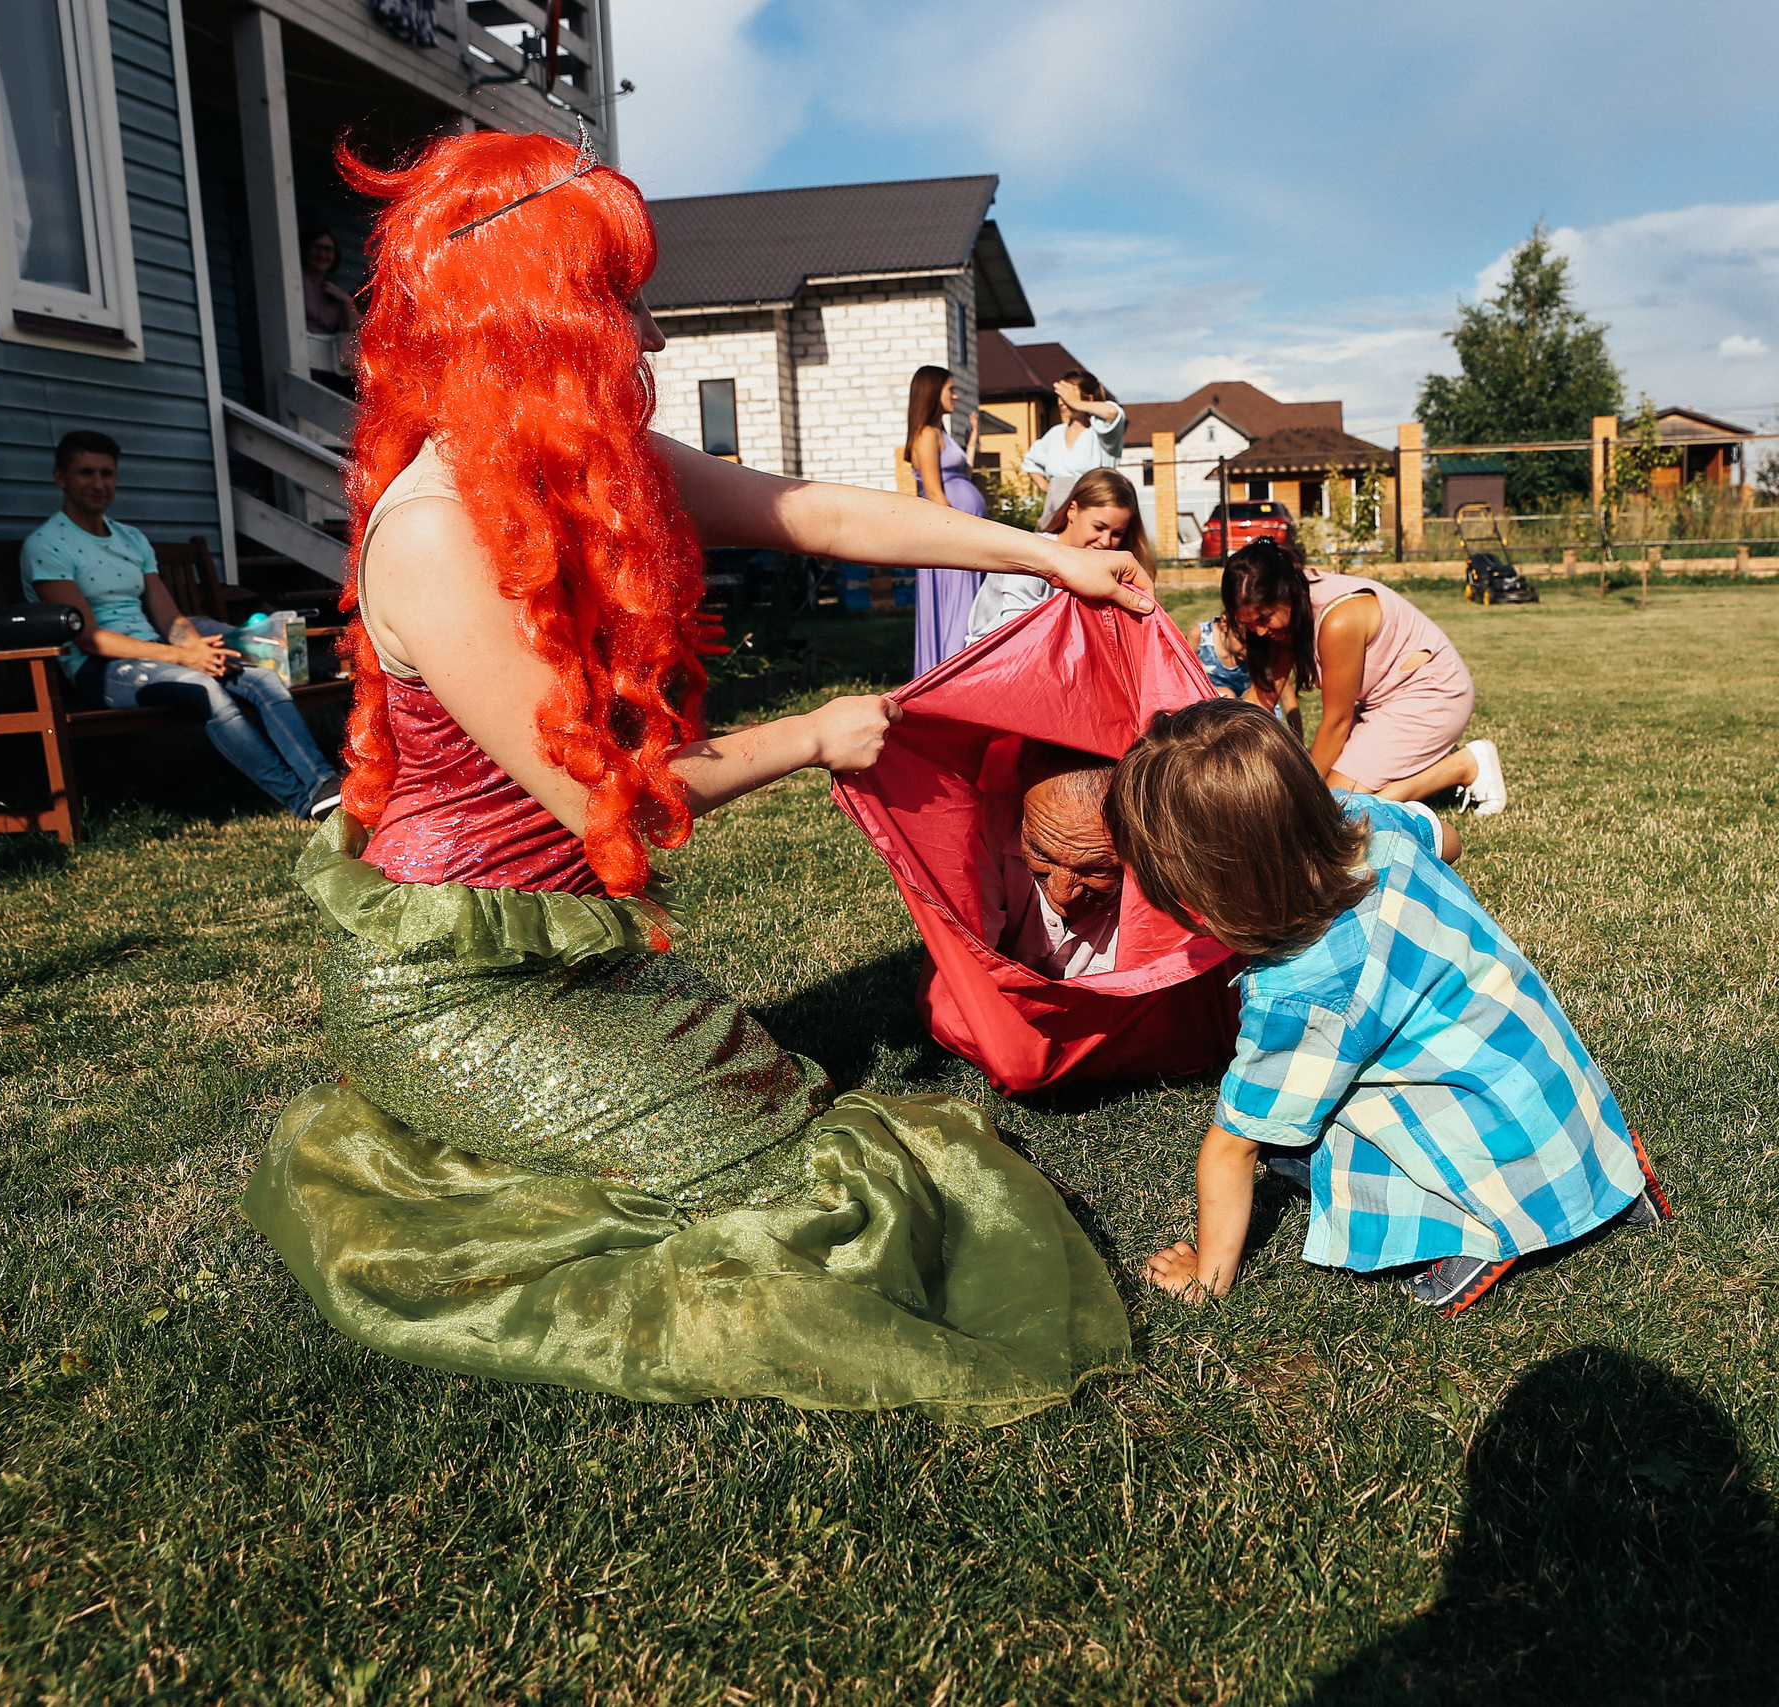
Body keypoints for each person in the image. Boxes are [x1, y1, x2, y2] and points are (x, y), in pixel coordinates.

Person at [241, 127, 1155, 1423]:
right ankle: (442, 1091)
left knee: (783, 1133)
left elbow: (818, 513)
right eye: (624, 305)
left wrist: (1046, 553)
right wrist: (816, 733)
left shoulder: (592, 466)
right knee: (813, 1197)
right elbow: (601, 795)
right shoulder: (434, 534)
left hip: (575, 945)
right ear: (537, 319)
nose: (655, 339)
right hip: (448, 980)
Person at [1106, 700, 1666, 1316]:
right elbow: (1446, 838)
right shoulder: (1364, 820)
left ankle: (1478, 1233)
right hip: (1560, 1097)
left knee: (1305, 1144)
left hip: (1495, 1156)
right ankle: (1606, 1181)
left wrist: (1206, 1273)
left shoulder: (1301, 986)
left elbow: (1236, 1144)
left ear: (1200, 905)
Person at [24, 429, 342, 820]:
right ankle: (300, 802)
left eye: (107, 473)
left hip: (161, 654)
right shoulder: (47, 544)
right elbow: (91, 640)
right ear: (61, 478)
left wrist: (196, 648)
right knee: (205, 687)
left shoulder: (131, 539)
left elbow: (167, 616)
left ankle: (323, 785)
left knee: (261, 678)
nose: (98, 483)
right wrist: (184, 657)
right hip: (101, 671)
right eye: (85, 473)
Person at [1224, 538, 1506, 813]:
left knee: (1335, 809)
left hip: (1434, 694)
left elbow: (1337, 721)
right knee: (1327, 799)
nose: (1259, 631)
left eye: (1264, 618)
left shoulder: (1338, 619)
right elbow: (1261, 699)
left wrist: (1306, 794)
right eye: (1247, 624)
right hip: (1383, 705)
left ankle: (1464, 766)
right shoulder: (1288, 609)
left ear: (1286, 593)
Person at [977, 745, 1120, 979]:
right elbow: (960, 977)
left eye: (1097, 869)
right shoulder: (987, 826)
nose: (1061, 894)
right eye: (1041, 855)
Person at [967, 468, 1153, 646]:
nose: (1105, 541)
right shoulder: (1032, 556)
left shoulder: (1106, 570)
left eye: (1117, 533)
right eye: (1098, 527)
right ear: (1072, 510)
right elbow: (1018, 634)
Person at [904, 364, 987, 675]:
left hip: (961, 533)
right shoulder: (926, 434)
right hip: (950, 537)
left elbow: (962, 475)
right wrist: (961, 533)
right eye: (950, 389)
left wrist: (973, 440)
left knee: (968, 605)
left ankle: (964, 672)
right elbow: (935, 493)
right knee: (957, 606)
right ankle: (954, 674)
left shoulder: (941, 432)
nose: (956, 394)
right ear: (932, 392)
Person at [1020, 368, 1126, 520]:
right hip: (1057, 513)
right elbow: (1030, 462)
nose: (1062, 400)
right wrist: (1047, 487)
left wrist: (1076, 402)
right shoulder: (1055, 434)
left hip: (1095, 508)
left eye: (1068, 395)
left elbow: (1112, 413)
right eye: (1060, 395)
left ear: (1088, 399)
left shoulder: (1101, 432)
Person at [301, 225, 361, 337]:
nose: (322, 254)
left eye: (328, 249)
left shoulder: (333, 290)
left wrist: (347, 302)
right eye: (317, 247)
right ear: (305, 249)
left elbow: (352, 333)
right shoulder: (297, 282)